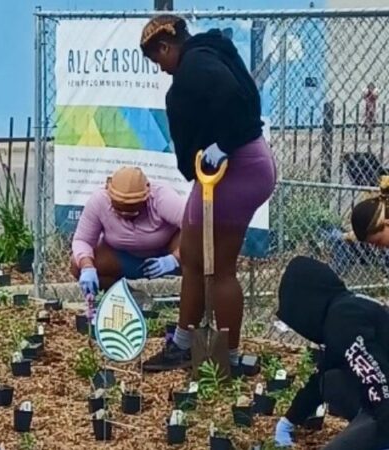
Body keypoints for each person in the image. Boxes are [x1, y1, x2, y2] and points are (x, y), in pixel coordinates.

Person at [138, 15, 277, 372]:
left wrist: (225, 144)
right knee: (192, 257)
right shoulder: (211, 50)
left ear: (167, 47)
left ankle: (225, 357)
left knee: (221, 268)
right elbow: (246, 97)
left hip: (238, 170)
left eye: (158, 60)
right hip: (232, 167)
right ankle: (185, 344)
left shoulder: (195, 68)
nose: (161, 69)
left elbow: (236, 99)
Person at [272, 256, 389, 449]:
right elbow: (320, 379)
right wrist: (289, 420)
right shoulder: (344, 309)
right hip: (379, 399)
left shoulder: (343, 320)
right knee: (330, 380)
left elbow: (376, 377)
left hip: (384, 401)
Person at [71, 166, 185, 296]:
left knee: (196, 245)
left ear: (147, 194)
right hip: (122, 259)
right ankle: (125, 296)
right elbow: (83, 240)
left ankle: (188, 297)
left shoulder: (162, 197)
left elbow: (197, 226)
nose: (126, 215)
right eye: (119, 210)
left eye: (134, 211)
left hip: (165, 256)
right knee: (77, 263)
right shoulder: (99, 200)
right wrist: (87, 268)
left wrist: (175, 258)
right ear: (108, 192)